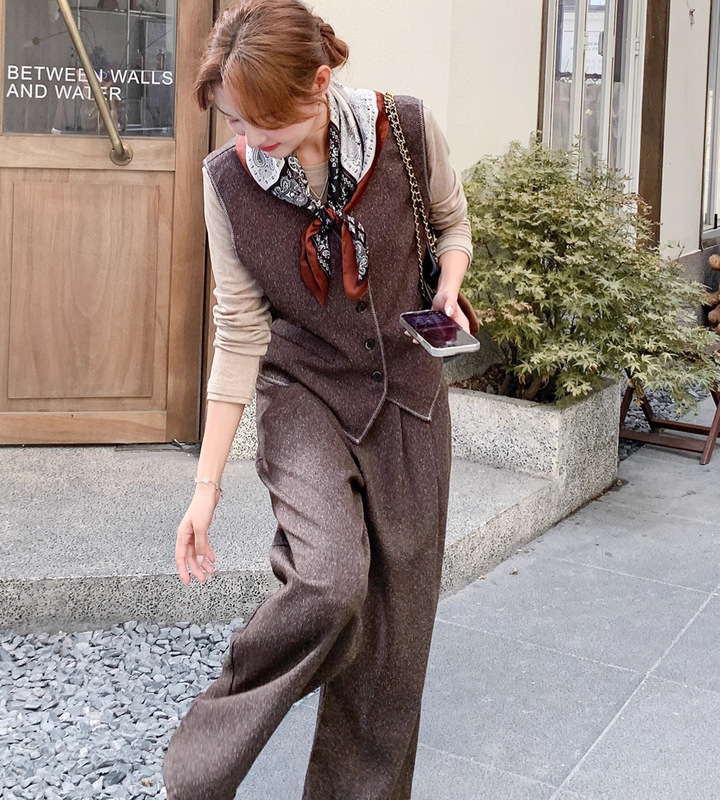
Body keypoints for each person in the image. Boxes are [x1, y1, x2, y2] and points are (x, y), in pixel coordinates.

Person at [163, 1, 472, 797]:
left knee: (396, 644)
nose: (244, 138)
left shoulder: (407, 129)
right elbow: (239, 331)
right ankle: (198, 765)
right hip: (301, 395)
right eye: (233, 119)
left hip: (408, 399)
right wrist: (205, 491)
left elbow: (453, 224)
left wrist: (448, 285)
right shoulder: (226, 182)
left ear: (319, 84)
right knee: (331, 582)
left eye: (260, 122)